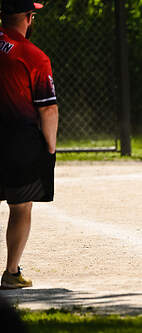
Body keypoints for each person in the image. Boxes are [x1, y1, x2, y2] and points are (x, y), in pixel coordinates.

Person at [0, 0, 58, 288]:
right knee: (20, 205)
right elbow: (48, 109)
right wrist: (50, 147)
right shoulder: (33, 56)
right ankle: (11, 273)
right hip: (16, 140)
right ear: (28, 17)